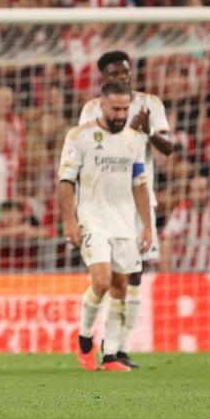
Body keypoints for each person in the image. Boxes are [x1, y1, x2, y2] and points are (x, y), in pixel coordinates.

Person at [75, 51, 174, 368]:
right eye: (115, 73)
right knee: (108, 277)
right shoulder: (92, 109)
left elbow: (168, 148)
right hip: (103, 203)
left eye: (126, 73)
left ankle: (117, 348)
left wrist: (147, 131)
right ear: (103, 79)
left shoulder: (151, 104)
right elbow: (85, 149)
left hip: (138, 199)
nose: (122, 78)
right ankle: (90, 336)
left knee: (134, 276)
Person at [59, 82, 153, 373]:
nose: (120, 114)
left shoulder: (134, 141)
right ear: (101, 105)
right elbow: (66, 181)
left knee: (121, 287)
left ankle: (110, 355)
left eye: (125, 109)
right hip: (93, 220)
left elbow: (139, 184)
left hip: (124, 223)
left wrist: (147, 226)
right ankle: (85, 339)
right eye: (115, 109)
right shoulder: (80, 136)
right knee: (101, 281)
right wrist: (69, 220)